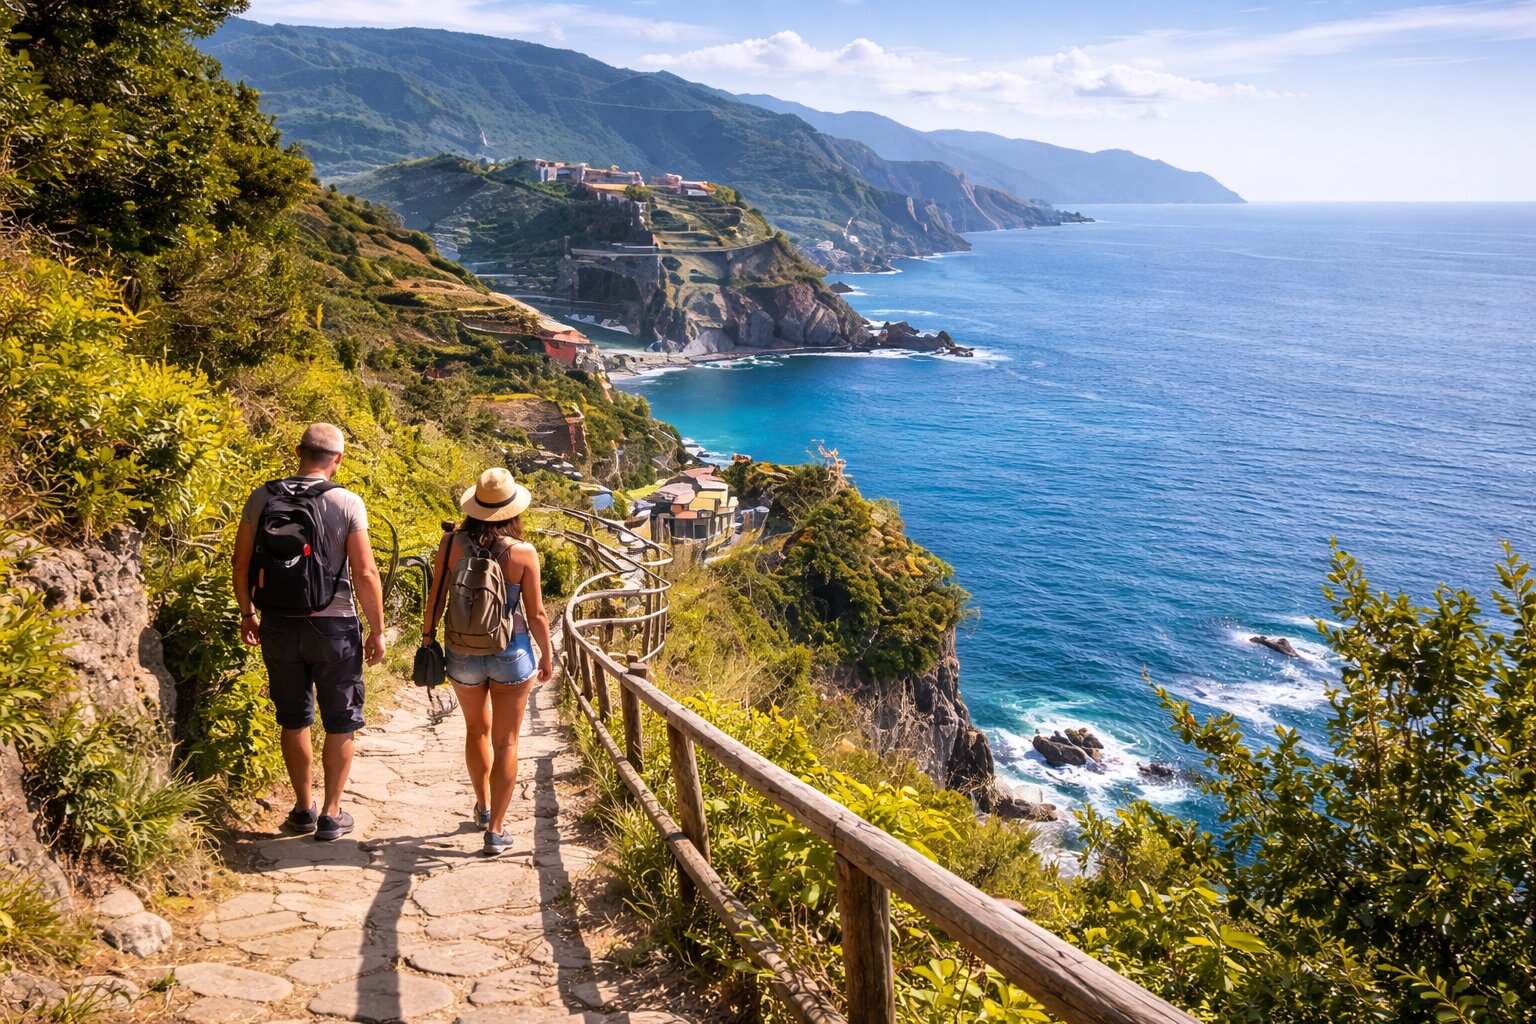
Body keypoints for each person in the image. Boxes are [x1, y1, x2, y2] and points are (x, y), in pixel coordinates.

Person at [232, 423, 386, 842]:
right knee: (340, 720)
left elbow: (241, 564)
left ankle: (302, 808)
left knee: (294, 717)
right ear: (338, 459)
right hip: (334, 625)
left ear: (299, 451)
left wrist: (249, 613)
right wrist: (377, 630)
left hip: (278, 623)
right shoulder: (347, 501)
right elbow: (365, 571)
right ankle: (332, 814)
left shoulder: (263, 496)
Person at [423, 467, 554, 856]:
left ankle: (482, 808)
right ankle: (496, 830)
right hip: (511, 653)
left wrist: (429, 640)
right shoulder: (523, 553)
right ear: (512, 510)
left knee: (476, 731)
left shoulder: (450, 545)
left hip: (462, 651)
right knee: (507, 740)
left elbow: (436, 600)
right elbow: (538, 615)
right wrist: (547, 656)